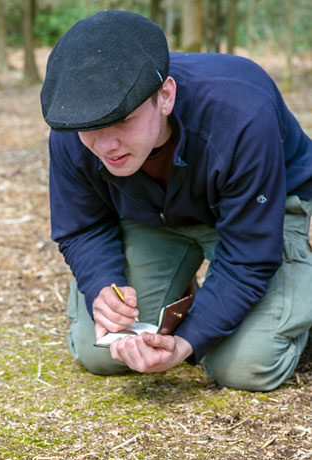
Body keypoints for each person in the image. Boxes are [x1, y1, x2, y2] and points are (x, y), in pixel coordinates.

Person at [40, 10, 312, 391]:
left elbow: (249, 254)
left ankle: (299, 295)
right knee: (101, 351)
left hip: (261, 214)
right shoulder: (72, 124)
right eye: (90, 129)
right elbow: (83, 226)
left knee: (245, 368)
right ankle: (182, 292)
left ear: (164, 96)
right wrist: (105, 287)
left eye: (122, 120)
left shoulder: (241, 112)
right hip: (154, 218)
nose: (105, 145)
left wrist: (185, 342)